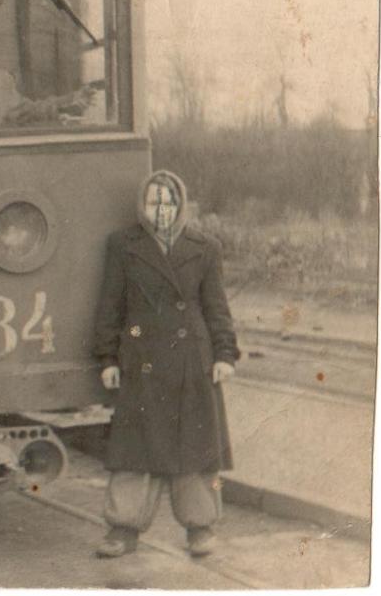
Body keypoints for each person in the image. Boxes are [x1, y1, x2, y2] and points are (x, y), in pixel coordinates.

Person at [91, 169, 239, 559]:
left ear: (180, 205)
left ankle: (200, 529)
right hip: (142, 360)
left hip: (194, 361)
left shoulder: (204, 247)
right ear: (144, 205)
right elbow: (111, 305)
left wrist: (225, 354)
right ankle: (123, 529)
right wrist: (106, 356)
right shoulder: (123, 246)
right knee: (134, 450)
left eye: (169, 202)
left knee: (196, 450)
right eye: (155, 201)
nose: (162, 209)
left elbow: (216, 308)